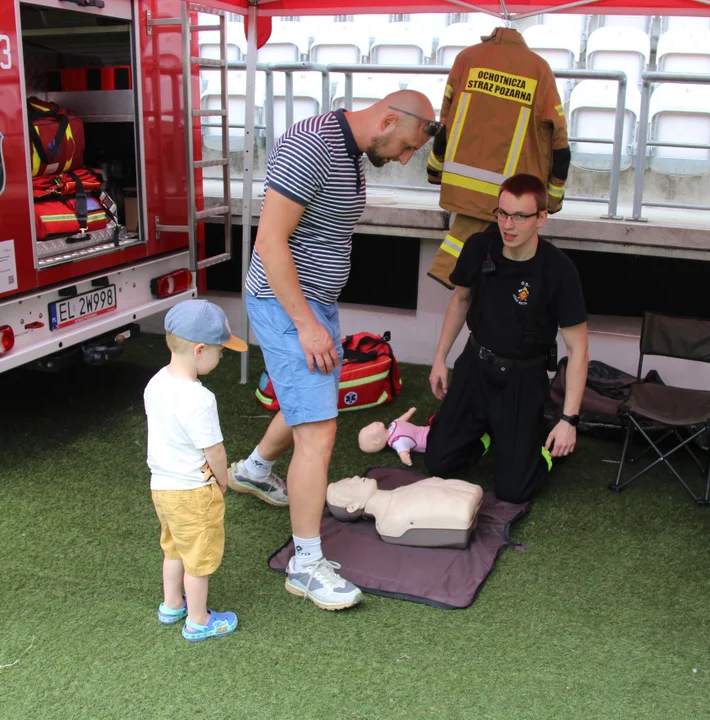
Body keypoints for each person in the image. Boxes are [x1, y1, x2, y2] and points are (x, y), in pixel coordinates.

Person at [227, 90, 437, 611]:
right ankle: (305, 565)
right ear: (388, 119)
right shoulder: (311, 145)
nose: (406, 158)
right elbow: (270, 243)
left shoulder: (353, 153)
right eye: (407, 146)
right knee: (319, 430)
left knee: (311, 401)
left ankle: (253, 470)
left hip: (314, 303)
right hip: (286, 304)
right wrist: (306, 325)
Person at [424, 174, 588, 504]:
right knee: (439, 464)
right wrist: (440, 358)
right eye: (501, 213)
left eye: (519, 216)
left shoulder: (559, 270)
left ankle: (538, 441)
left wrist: (569, 420)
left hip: (523, 377)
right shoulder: (478, 247)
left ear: (541, 218)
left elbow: (578, 347)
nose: (507, 225)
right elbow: (461, 300)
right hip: (476, 366)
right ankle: (488, 435)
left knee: (515, 490)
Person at [423, 26, 571, 289]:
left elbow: (444, 121)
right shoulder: (539, 69)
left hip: (464, 188)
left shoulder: (467, 59)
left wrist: (436, 171)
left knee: (470, 272)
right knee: (507, 271)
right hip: (515, 194)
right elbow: (558, 137)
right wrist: (552, 199)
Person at [144, 299, 246, 642]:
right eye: (220, 351)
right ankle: (198, 620)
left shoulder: (156, 383)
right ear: (199, 350)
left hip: (162, 488)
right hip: (193, 491)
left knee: (172, 548)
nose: (221, 357)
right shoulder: (199, 399)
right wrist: (224, 480)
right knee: (198, 559)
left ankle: (172, 604)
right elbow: (214, 451)